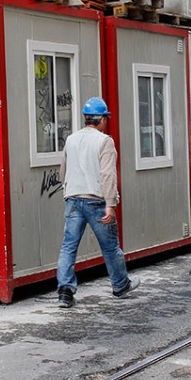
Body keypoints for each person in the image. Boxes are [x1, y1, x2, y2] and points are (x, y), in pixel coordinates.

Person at [56, 96, 139, 308]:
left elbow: (63, 170)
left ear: (86, 118)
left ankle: (65, 292)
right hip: (96, 202)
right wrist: (110, 204)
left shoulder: (71, 139)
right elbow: (108, 175)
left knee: (68, 246)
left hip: (73, 200)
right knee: (110, 247)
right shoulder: (105, 141)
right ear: (101, 119)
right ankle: (120, 285)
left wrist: (68, 192)